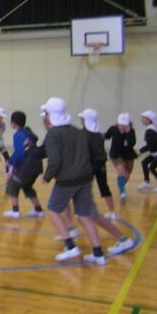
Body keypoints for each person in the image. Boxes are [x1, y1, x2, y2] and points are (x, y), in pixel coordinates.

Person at [40, 97, 105, 264]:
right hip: (86, 178)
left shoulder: (53, 134)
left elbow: (54, 160)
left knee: (53, 210)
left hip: (67, 180)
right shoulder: (77, 131)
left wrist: (46, 177)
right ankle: (98, 254)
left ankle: (70, 247)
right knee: (84, 215)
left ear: (50, 114)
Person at [2, 111, 44, 219]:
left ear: (13, 122)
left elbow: (20, 154)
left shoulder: (18, 135)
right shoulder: (28, 132)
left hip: (28, 166)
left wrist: (10, 161)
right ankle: (38, 210)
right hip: (37, 165)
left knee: (12, 184)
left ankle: (15, 211)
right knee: (26, 186)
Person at [79, 108, 118, 219]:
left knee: (83, 187)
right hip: (101, 163)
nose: (81, 120)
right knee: (103, 186)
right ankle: (112, 212)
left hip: (89, 164)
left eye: (82, 118)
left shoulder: (82, 134)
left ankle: (83, 210)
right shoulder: (99, 133)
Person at [104, 113, 138, 203]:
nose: (122, 126)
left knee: (127, 174)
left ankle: (121, 185)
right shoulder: (113, 129)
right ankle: (122, 192)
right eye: (120, 124)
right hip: (116, 154)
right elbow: (106, 136)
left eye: (124, 124)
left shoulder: (131, 131)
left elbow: (132, 143)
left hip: (128, 154)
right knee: (121, 171)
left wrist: (128, 133)